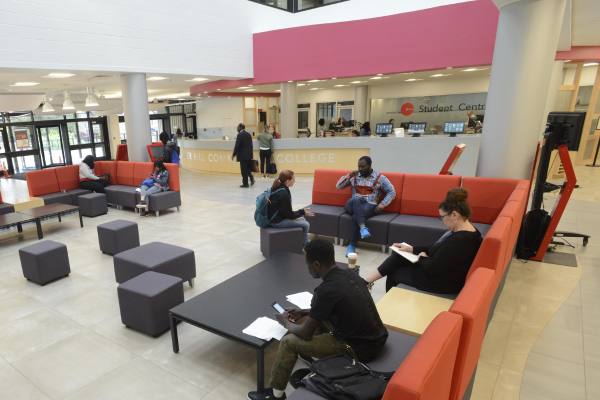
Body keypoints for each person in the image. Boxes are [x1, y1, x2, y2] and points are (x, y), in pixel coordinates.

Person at [247, 239, 388, 400]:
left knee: (288, 342)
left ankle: (275, 395)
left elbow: (305, 333)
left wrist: (284, 322)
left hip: (359, 349)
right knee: (314, 320)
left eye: (307, 264)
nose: (307, 268)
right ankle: (314, 358)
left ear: (316, 264)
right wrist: (304, 312)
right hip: (376, 338)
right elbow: (332, 307)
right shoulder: (349, 274)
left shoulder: (326, 290)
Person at [365, 188, 482, 294]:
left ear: (454, 215)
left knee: (394, 272)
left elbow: (433, 268)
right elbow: (436, 248)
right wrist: (411, 249)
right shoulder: (465, 230)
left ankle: (391, 308)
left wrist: (422, 257)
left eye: (442, 217)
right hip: (436, 270)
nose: (442, 221)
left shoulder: (460, 240)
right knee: (400, 255)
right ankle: (365, 282)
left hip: (440, 282)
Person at [336, 156, 396, 256]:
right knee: (356, 199)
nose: (360, 169)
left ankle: (351, 246)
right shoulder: (354, 176)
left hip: (369, 205)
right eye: (359, 166)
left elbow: (392, 192)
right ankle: (363, 227)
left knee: (356, 216)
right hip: (351, 205)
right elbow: (338, 186)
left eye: (363, 167)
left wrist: (382, 205)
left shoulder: (380, 178)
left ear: (369, 166)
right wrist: (349, 175)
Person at [267, 170, 314, 245]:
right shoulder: (283, 193)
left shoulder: (279, 187)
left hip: (276, 217)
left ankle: (301, 241)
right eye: (293, 179)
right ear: (287, 181)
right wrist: (302, 212)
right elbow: (289, 215)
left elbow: (286, 212)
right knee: (306, 224)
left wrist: (301, 213)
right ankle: (305, 244)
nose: (294, 181)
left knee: (302, 219)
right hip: (276, 222)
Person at [232, 122, 255, 188]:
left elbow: (237, 145)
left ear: (240, 127)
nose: (237, 128)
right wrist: (251, 155)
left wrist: (234, 154)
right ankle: (251, 178)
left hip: (242, 156)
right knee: (247, 168)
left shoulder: (239, 135)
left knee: (243, 170)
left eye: (237, 127)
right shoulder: (248, 134)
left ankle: (245, 184)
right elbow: (251, 146)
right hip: (248, 155)